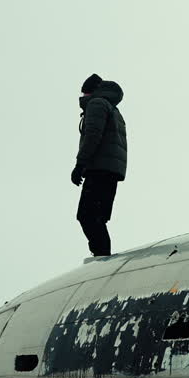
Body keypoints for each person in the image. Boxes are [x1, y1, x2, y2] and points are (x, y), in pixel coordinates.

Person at [71, 73, 127, 257]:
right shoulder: (113, 109)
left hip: (99, 169)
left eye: (85, 93)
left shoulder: (97, 104)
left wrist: (80, 165)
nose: (82, 97)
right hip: (111, 170)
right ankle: (102, 255)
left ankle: (101, 257)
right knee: (97, 217)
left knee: (87, 215)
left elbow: (93, 135)